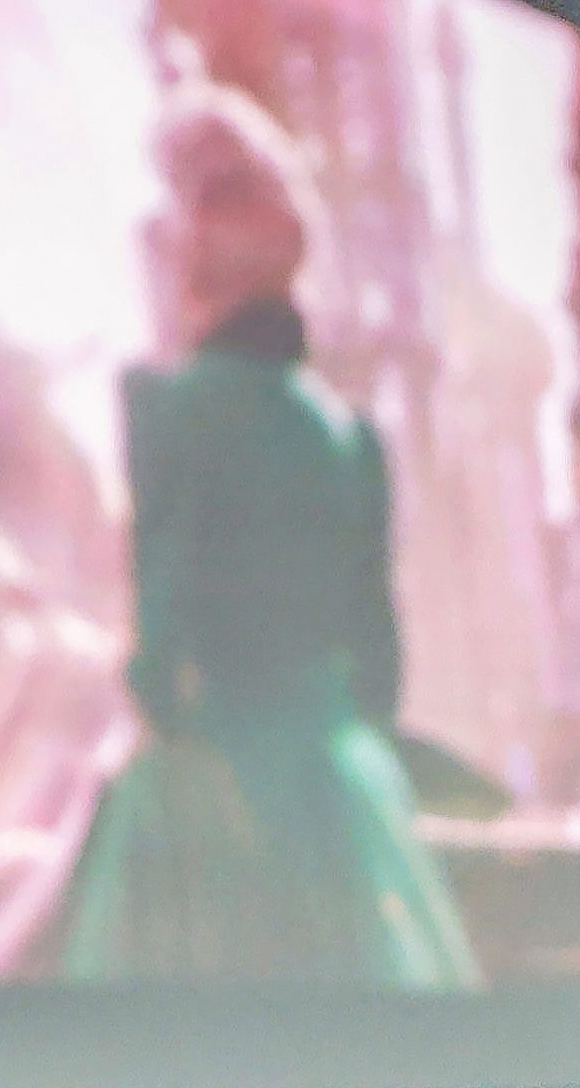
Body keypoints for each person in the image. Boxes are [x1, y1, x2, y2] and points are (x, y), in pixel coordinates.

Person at [54, 81, 478, 989]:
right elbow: (377, 652)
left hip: (210, 774)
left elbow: (161, 622)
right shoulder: (350, 433)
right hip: (329, 783)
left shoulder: (165, 407)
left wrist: (172, 723)